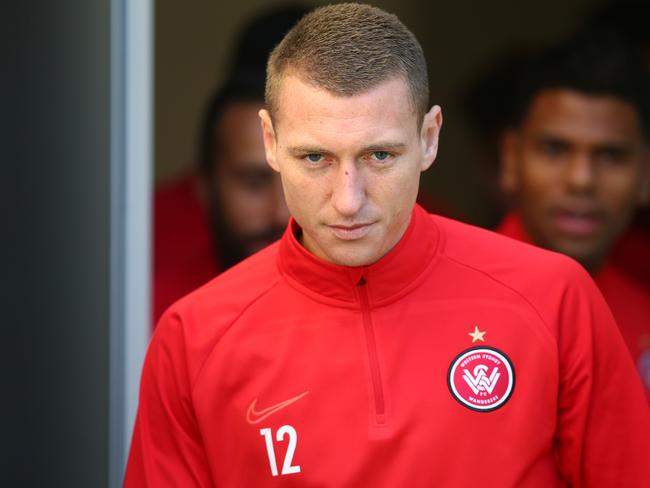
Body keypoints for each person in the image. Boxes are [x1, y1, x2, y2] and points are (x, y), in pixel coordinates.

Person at [126, 4, 650, 486]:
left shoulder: (554, 299)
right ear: (270, 142)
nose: (349, 200)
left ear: (429, 138)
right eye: (315, 158)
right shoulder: (195, 338)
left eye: (379, 155)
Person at [496, 32, 650, 400]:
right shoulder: (444, 300)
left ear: (646, 174)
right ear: (511, 158)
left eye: (611, 156)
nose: (582, 180)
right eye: (554, 149)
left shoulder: (644, 319)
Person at [153, 6, 308, 323]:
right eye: (254, 182)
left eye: (307, 173)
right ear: (203, 185)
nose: (282, 212)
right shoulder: (162, 317)